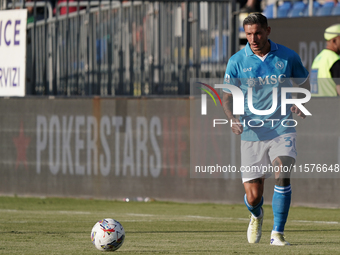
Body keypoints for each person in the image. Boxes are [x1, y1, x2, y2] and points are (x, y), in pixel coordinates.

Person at [222, 13, 309, 245]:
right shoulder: (237, 61)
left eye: (258, 33)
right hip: (252, 133)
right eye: (248, 34)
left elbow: (304, 84)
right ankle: (256, 214)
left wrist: (299, 102)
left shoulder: (288, 56)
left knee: (283, 173)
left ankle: (277, 234)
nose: (253, 38)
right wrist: (232, 118)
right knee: (254, 196)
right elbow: (227, 97)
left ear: (268, 31)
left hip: (282, 128)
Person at [311, 24, 340, 97]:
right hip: (331, 106)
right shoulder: (334, 60)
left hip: (316, 106)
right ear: (334, 41)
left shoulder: (318, 58)